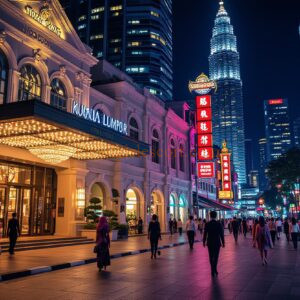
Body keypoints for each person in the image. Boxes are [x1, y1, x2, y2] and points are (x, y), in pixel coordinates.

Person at [203, 211, 225, 277]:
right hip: (217, 242)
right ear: (216, 216)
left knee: (211, 256)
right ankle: (214, 268)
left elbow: (205, 234)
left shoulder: (207, 224)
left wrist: (204, 241)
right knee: (216, 256)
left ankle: (212, 269)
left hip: (210, 242)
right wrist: (223, 242)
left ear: (210, 216)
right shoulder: (219, 224)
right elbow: (221, 234)